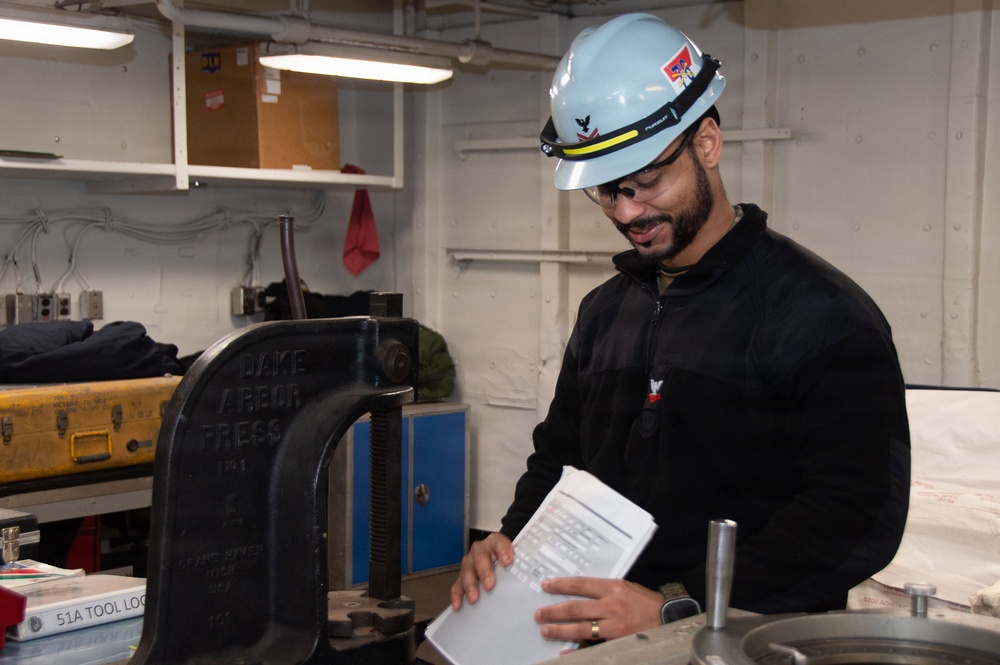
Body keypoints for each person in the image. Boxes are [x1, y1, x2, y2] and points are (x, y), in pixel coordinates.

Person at [449, 12, 910, 645]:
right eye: (608, 193)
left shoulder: (821, 315)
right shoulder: (606, 312)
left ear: (708, 144)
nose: (628, 211)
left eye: (647, 182)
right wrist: (509, 543)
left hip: (752, 638)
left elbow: (855, 515)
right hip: (606, 635)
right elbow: (561, 460)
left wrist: (677, 602)